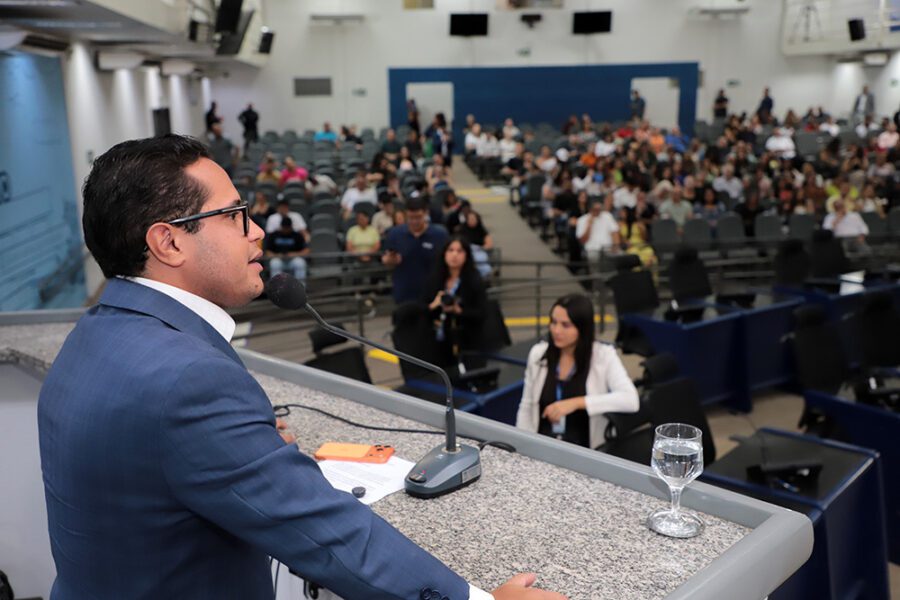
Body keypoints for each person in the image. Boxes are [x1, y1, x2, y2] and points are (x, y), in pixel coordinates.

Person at [39, 134, 564, 600]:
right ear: (169, 241)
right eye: (234, 215)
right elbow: (329, 534)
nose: (258, 232)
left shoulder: (91, 337)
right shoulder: (187, 381)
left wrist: (242, 446)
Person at [515, 294, 639, 449]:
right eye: (553, 322)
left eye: (565, 325)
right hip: (543, 445)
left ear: (583, 328)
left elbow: (631, 400)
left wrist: (577, 403)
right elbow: (526, 406)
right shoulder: (538, 354)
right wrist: (520, 447)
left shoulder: (603, 356)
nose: (556, 330)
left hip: (584, 450)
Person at [423, 236, 488, 367]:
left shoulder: (474, 281)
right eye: (450, 250)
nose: (454, 255)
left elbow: (482, 313)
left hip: (467, 340)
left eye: (460, 251)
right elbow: (422, 308)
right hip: (439, 342)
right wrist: (433, 305)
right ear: (444, 254)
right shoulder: (434, 280)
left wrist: (459, 311)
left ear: (466, 255)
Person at [382, 196, 449, 304]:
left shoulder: (439, 235)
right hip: (404, 294)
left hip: (433, 294)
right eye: (410, 218)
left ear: (426, 213)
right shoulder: (395, 234)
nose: (414, 221)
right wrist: (390, 260)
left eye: (418, 217)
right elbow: (386, 258)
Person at [265, 216, 309, 280]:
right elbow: (268, 252)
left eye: (287, 227)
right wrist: (277, 255)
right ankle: (276, 288)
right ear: (281, 226)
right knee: (274, 263)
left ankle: (301, 287)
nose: (286, 229)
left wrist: (294, 254)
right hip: (279, 259)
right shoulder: (274, 235)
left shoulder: (297, 235)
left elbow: (306, 250)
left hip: (293, 260)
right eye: (284, 227)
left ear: (291, 227)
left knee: (300, 262)